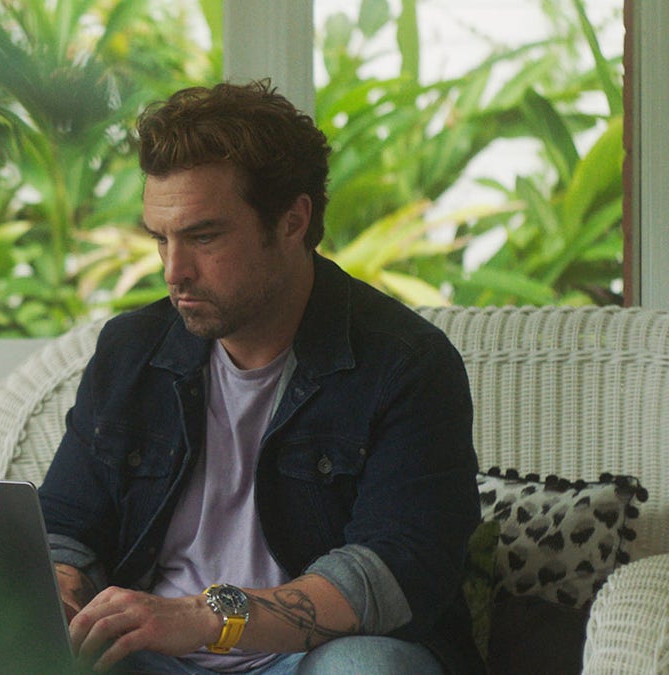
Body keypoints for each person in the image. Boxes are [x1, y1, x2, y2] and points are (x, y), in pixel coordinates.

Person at [37, 79, 484, 674]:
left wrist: (205, 617)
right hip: (153, 660)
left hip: (312, 659)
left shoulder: (404, 363)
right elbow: (66, 527)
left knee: (368, 668)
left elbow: (395, 571)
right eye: (161, 240)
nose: (175, 272)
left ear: (293, 221)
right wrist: (59, 591)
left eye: (203, 236)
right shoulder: (131, 351)